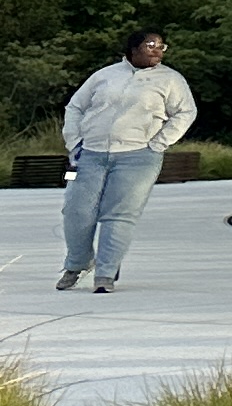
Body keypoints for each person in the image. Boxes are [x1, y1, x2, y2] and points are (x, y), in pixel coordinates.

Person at [54, 29, 195, 295]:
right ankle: (78, 263)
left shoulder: (170, 80)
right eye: (150, 45)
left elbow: (186, 112)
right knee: (76, 211)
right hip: (90, 155)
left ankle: (106, 273)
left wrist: (159, 143)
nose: (156, 50)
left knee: (119, 215)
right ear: (133, 48)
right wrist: (74, 142)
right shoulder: (105, 75)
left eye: (161, 47)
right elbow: (75, 107)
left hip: (138, 157)